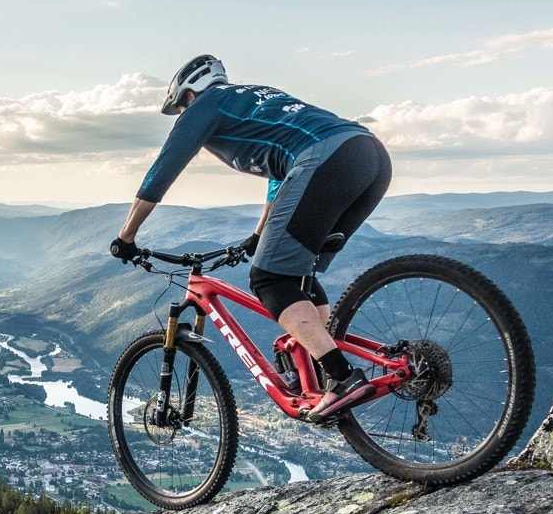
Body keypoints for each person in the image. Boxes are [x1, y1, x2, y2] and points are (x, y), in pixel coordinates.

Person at [110, 54, 392, 422]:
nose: (182, 114)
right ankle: (327, 378)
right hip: (368, 156)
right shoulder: (258, 97)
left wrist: (126, 236)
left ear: (190, 95)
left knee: (270, 280)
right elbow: (282, 173)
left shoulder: (206, 105)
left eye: (180, 107)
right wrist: (258, 235)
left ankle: (341, 379)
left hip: (328, 160)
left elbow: (162, 171)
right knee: (299, 278)